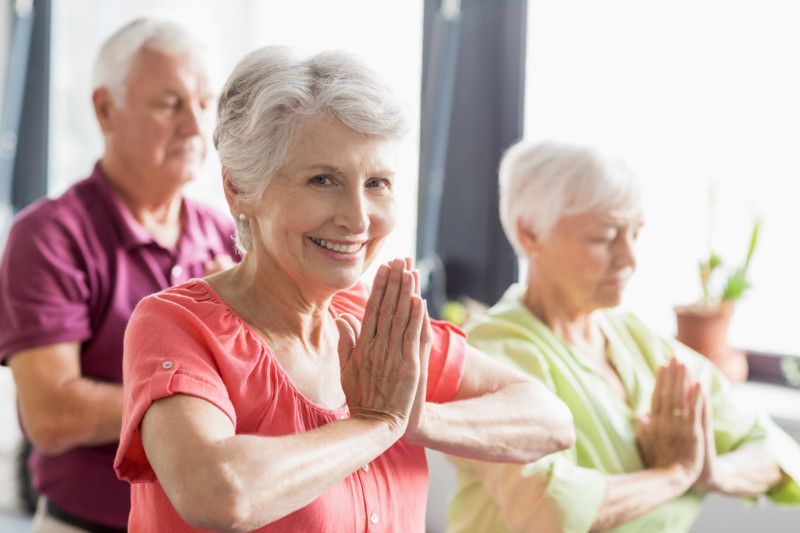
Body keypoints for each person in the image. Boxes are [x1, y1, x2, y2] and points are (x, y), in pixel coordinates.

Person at [112, 46, 576, 532]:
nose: (357, 218)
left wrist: (415, 421)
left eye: (377, 182)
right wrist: (374, 425)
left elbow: (550, 420)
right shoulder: (176, 325)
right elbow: (220, 492)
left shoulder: (377, 319)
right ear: (240, 189)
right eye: (322, 180)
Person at [446, 140, 800, 532]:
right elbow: (545, 511)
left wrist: (710, 471)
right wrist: (674, 475)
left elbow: (775, 450)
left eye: (635, 234)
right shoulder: (488, 351)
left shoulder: (634, 338)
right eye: (605, 237)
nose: (629, 258)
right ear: (530, 233)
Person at [0, 18, 237, 532]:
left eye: (203, 102)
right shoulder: (48, 235)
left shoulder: (227, 236)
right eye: (169, 104)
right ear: (106, 110)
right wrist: (196, 398)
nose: (196, 127)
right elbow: (52, 413)